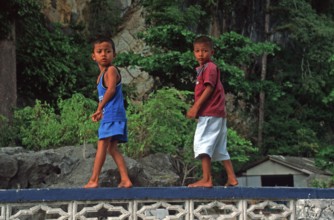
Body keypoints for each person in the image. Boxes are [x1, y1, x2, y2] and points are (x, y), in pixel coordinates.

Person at [186, 35, 238, 188]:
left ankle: (206, 179)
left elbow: (209, 88)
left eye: (204, 51)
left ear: (212, 52)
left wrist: (196, 107)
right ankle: (232, 178)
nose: (201, 54)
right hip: (216, 113)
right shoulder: (203, 69)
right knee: (220, 148)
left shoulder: (210, 68)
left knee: (202, 143)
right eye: (197, 51)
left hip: (210, 112)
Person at [84, 37, 133, 188]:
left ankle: (94, 180)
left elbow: (111, 89)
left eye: (108, 51)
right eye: (99, 51)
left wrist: (99, 108)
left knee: (102, 145)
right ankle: (125, 179)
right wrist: (101, 110)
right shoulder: (100, 75)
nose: (104, 54)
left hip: (112, 114)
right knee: (112, 148)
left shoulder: (111, 70)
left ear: (114, 54)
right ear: (94, 56)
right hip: (111, 114)